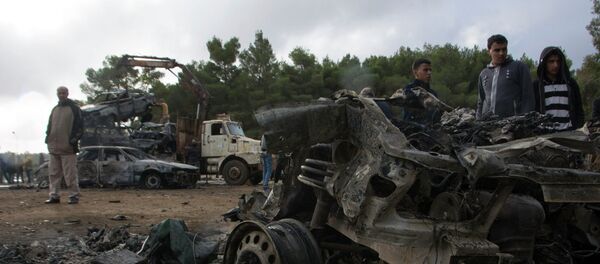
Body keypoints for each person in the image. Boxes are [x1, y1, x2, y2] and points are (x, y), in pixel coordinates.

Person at [476, 34, 535, 120]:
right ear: (489, 51)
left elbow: (528, 97)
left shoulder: (519, 67)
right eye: (497, 50)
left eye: (504, 49)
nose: (501, 53)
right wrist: (478, 121)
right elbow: (480, 101)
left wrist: (526, 120)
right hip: (488, 126)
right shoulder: (484, 74)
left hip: (514, 124)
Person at [44, 86, 83, 204]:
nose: (61, 95)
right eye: (59, 93)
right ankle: (54, 196)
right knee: (53, 173)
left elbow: (80, 127)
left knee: (70, 174)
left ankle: (74, 196)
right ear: (57, 94)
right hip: (53, 147)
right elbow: (49, 125)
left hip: (68, 148)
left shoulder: (75, 108)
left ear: (67, 93)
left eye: (64, 93)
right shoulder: (54, 109)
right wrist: (48, 138)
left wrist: (73, 141)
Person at [533, 47, 584, 131]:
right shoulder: (536, 86)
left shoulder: (570, 83)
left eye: (558, 61)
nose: (555, 65)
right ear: (544, 63)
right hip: (546, 135)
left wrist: (578, 127)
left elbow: (579, 109)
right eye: (551, 61)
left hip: (569, 132)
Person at [403, 58, 440, 124]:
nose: (429, 73)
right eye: (425, 70)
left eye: (430, 70)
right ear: (415, 72)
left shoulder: (433, 93)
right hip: (413, 131)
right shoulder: (409, 90)